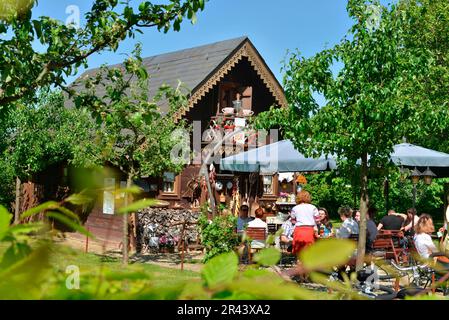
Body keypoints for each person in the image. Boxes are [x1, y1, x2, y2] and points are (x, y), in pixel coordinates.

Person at [291, 190, 319, 255]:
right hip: (310, 230)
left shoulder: (295, 208)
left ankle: (299, 264)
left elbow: (293, 220)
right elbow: (317, 220)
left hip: (299, 230)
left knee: (299, 252)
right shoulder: (313, 207)